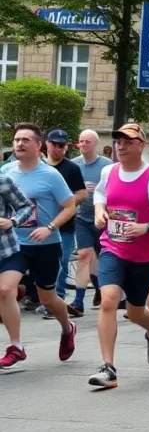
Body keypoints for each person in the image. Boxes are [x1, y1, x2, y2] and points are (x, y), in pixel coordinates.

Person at [89, 124, 149, 388]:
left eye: (128, 142)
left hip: (144, 256)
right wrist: (99, 210)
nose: (121, 146)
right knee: (108, 301)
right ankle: (108, 368)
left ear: (141, 145)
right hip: (112, 247)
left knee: (135, 312)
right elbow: (99, 193)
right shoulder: (109, 171)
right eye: (118, 141)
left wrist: (148, 226)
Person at [0, 124, 78, 366]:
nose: (20, 144)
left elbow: (70, 206)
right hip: (14, 245)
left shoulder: (50, 175)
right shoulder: (6, 172)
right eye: (16, 140)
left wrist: (49, 228)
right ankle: (16, 346)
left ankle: (67, 328)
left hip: (45, 244)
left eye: (25, 140)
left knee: (47, 298)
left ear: (38, 145)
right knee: (5, 290)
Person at [42, 129, 87, 313]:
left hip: (65, 225)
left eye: (62, 145)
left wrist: (68, 202)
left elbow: (83, 194)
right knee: (40, 263)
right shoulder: (39, 166)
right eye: (54, 144)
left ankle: (57, 300)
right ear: (46, 144)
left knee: (62, 260)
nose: (58, 148)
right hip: (39, 223)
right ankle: (39, 298)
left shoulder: (71, 168)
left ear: (67, 146)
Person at [70, 130, 112, 316]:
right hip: (81, 217)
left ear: (95, 144)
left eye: (87, 141)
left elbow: (114, 189)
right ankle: (78, 301)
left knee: (101, 259)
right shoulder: (73, 165)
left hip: (103, 219)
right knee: (84, 255)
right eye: (81, 141)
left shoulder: (107, 165)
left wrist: (99, 193)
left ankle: (99, 289)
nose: (83, 145)